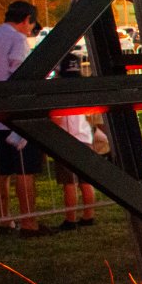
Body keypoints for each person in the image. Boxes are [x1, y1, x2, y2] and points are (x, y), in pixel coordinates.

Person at [0, 1, 51, 237]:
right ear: (27, 18)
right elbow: (20, 75)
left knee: (0, 173)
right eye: (31, 25)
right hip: (15, 118)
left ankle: (4, 220)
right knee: (24, 171)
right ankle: (29, 222)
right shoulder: (17, 40)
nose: (30, 30)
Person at [52, 50, 97, 230]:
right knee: (86, 181)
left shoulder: (58, 92)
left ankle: (70, 218)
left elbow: (58, 119)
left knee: (69, 183)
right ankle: (89, 215)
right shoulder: (80, 88)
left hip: (66, 139)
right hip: (84, 136)